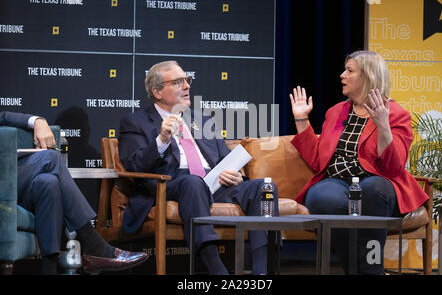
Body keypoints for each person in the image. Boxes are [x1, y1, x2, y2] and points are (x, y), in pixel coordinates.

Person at [118, 60, 279, 275]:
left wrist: (237, 175)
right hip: (171, 184)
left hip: (214, 183)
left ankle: (262, 272)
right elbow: (135, 165)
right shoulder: (136, 122)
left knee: (265, 188)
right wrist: (162, 139)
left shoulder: (202, 120)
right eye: (177, 82)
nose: (187, 86)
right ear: (157, 91)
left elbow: (225, 158)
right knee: (193, 183)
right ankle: (216, 269)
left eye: (187, 80)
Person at [289, 51, 429, 274]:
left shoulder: (396, 114)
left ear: (368, 77)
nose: (342, 75)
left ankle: (370, 268)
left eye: (350, 71)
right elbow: (318, 160)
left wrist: (383, 127)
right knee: (321, 197)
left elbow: (393, 167)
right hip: (337, 180)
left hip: (378, 181)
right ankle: (365, 270)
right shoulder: (336, 112)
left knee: (372, 190)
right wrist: (301, 119)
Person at [0, 111, 149, 274]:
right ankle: (94, 244)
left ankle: (49, 270)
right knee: (51, 157)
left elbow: (3, 117)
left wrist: (38, 121)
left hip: (10, 180)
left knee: (48, 183)